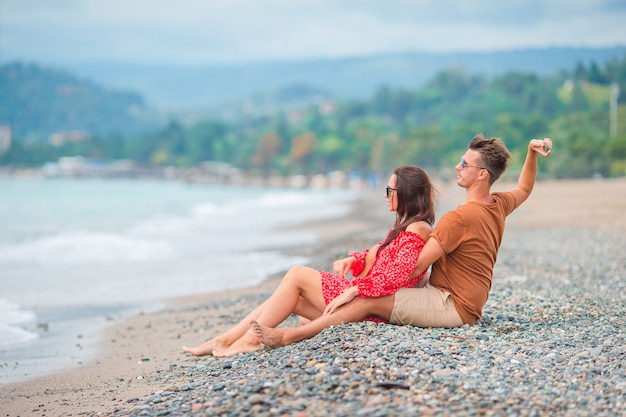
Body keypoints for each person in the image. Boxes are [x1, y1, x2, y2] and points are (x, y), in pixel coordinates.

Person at [251, 134, 553, 348]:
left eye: (464, 165)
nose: (457, 168)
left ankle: (290, 336)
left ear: (482, 175)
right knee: (367, 298)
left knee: (369, 299)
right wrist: (530, 151)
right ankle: (282, 330)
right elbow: (525, 188)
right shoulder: (497, 203)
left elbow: (410, 269)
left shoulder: (458, 219)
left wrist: (356, 288)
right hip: (469, 305)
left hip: (452, 306)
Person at [182, 165, 436, 357]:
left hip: (370, 306)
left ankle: (248, 341)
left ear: (405, 193)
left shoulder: (418, 229)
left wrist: (355, 289)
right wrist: (355, 261)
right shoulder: (406, 226)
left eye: (388, 190)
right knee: (290, 297)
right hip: (365, 298)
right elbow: (383, 262)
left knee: (296, 275)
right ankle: (225, 339)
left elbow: (398, 276)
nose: (384, 196)